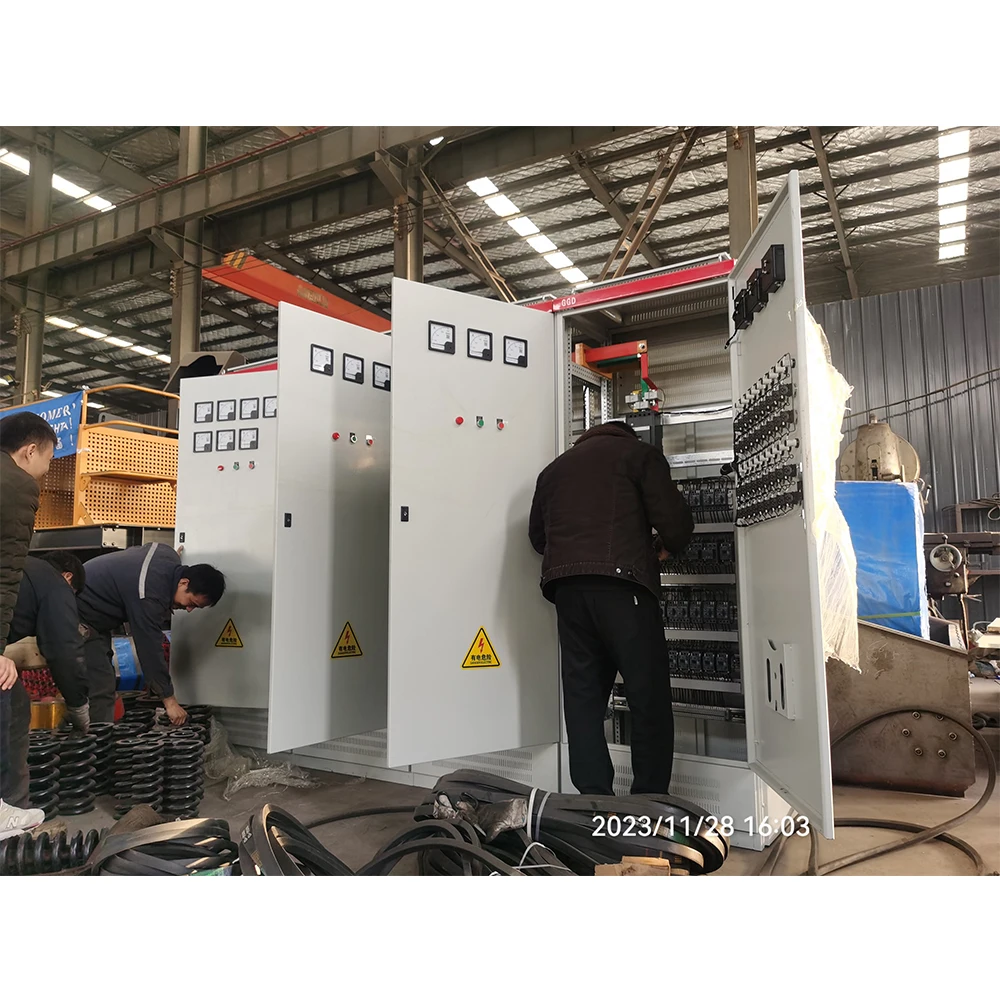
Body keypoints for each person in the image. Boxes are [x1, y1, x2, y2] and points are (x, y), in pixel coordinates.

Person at [528, 420, 693, 797]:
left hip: (568, 593)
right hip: (624, 589)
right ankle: (649, 799)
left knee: (583, 698)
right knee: (647, 695)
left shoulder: (554, 470)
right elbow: (676, 524)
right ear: (627, 435)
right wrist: (664, 546)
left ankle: (593, 800)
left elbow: (538, 538)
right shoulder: (640, 456)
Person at [77, 542, 226, 725]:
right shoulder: (149, 595)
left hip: (95, 614)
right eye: (191, 603)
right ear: (184, 582)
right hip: (78, 614)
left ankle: (77, 728)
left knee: (96, 683)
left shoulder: (168, 555)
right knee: (101, 687)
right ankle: (90, 739)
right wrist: (169, 701)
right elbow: (149, 649)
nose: (188, 609)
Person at [0, 410, 57, 838]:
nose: (45, 472)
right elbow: (5, 574)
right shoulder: (18, 485)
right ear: (29, 450)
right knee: (7, 695)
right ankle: (5, 811)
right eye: (48, 461)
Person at [0, 552, 91, 810]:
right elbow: (65, 651)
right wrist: (78, 705)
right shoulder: (56, 585)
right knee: (12, 706)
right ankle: (10, 808)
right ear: (68, 577)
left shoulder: (26, 567)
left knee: (17, 700)